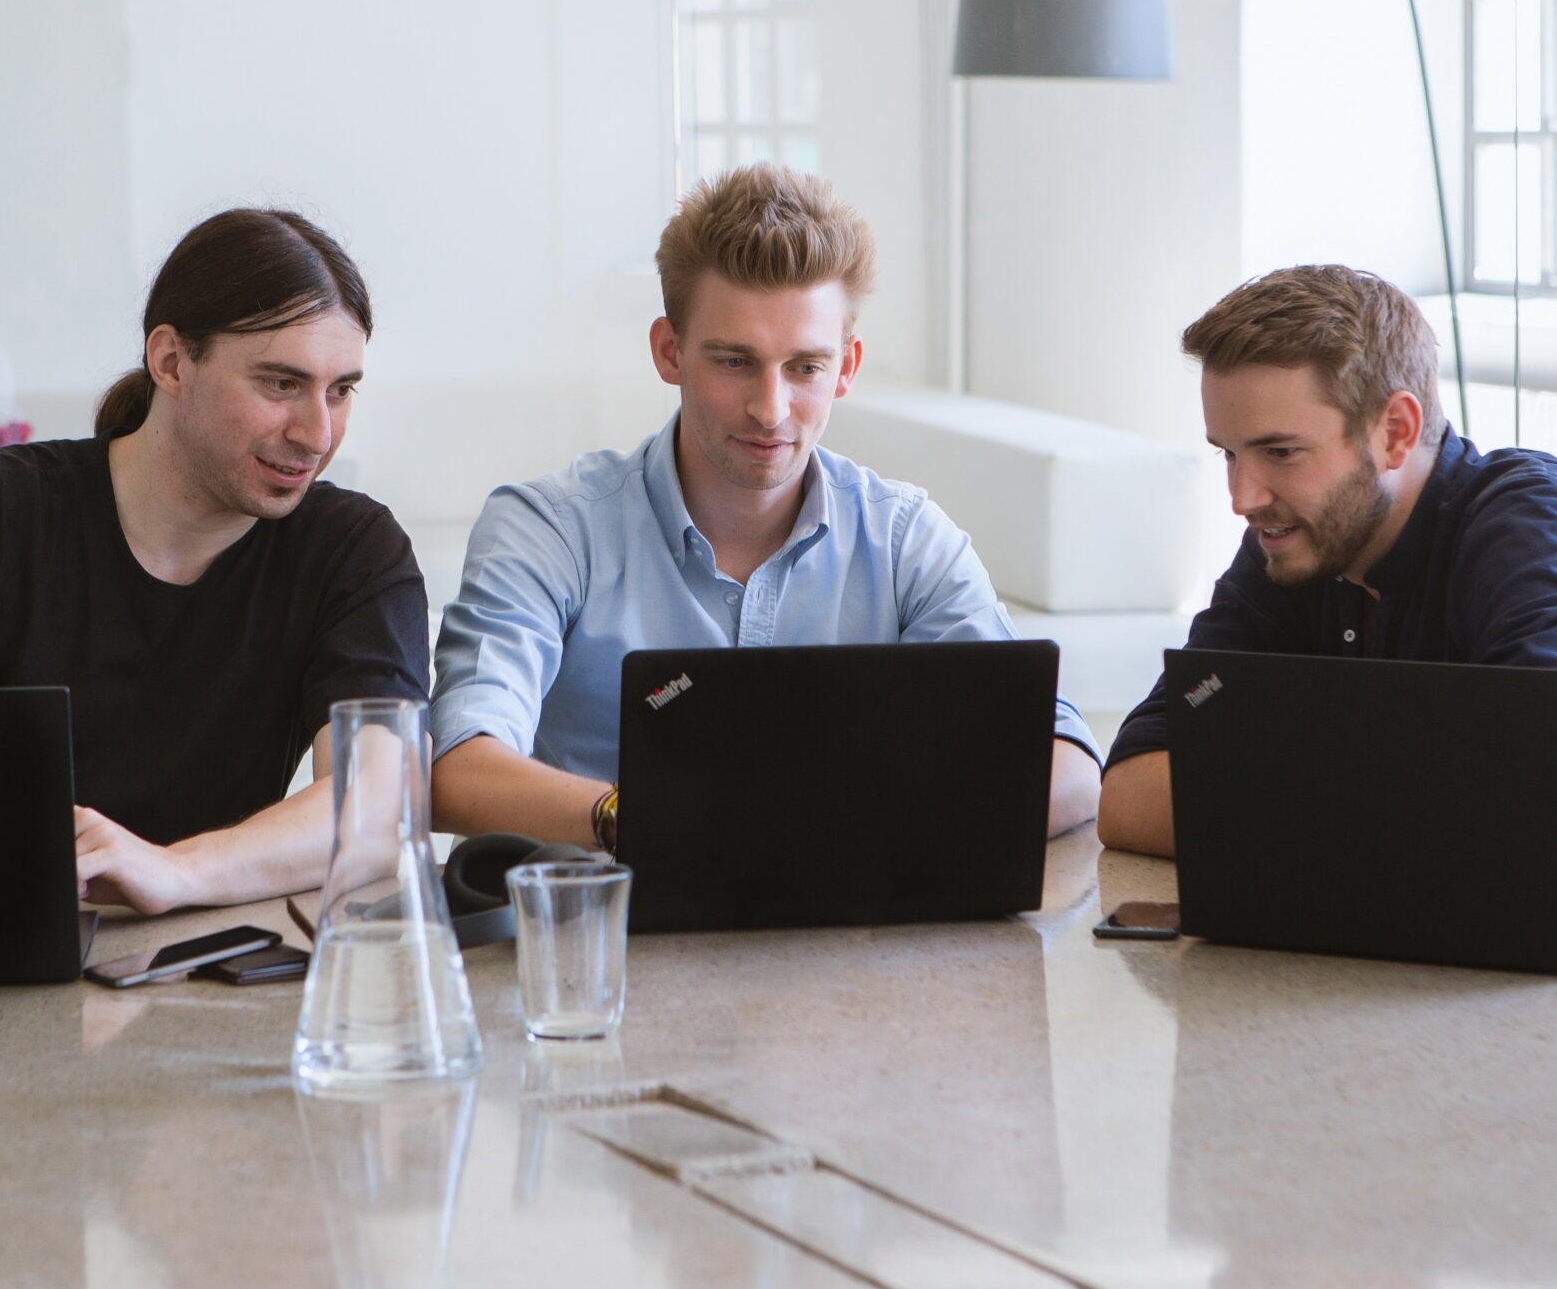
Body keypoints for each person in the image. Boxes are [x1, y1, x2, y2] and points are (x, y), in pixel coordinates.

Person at [1095, 264, 1557, 937]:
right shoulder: (1296, 540)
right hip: (1501, 959)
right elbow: (1128, 792)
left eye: (1280, 452)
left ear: (1396, 430)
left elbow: (1537, 834)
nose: (1242, 497)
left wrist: (1286, 796)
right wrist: (1413, 807)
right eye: (1228, 452)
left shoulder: (1534, 527)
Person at [430, 162, 1100, 850]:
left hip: (848, 943)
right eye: (734, 361)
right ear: (670, 350)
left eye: (805, 367)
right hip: (602, 939)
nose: (770, 409)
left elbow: (1070, 765)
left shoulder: (906, 541)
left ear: (845, 368)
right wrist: (657, 821)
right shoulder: (550, 529)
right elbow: (459, 769)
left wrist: (847, 823)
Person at [0, 208, 427, 914]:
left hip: (214, 956)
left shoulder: (355, 551)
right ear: (171, 361)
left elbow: (374, 805)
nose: (317, 432)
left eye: (341, 389)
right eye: (280, 384)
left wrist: (174, 871)